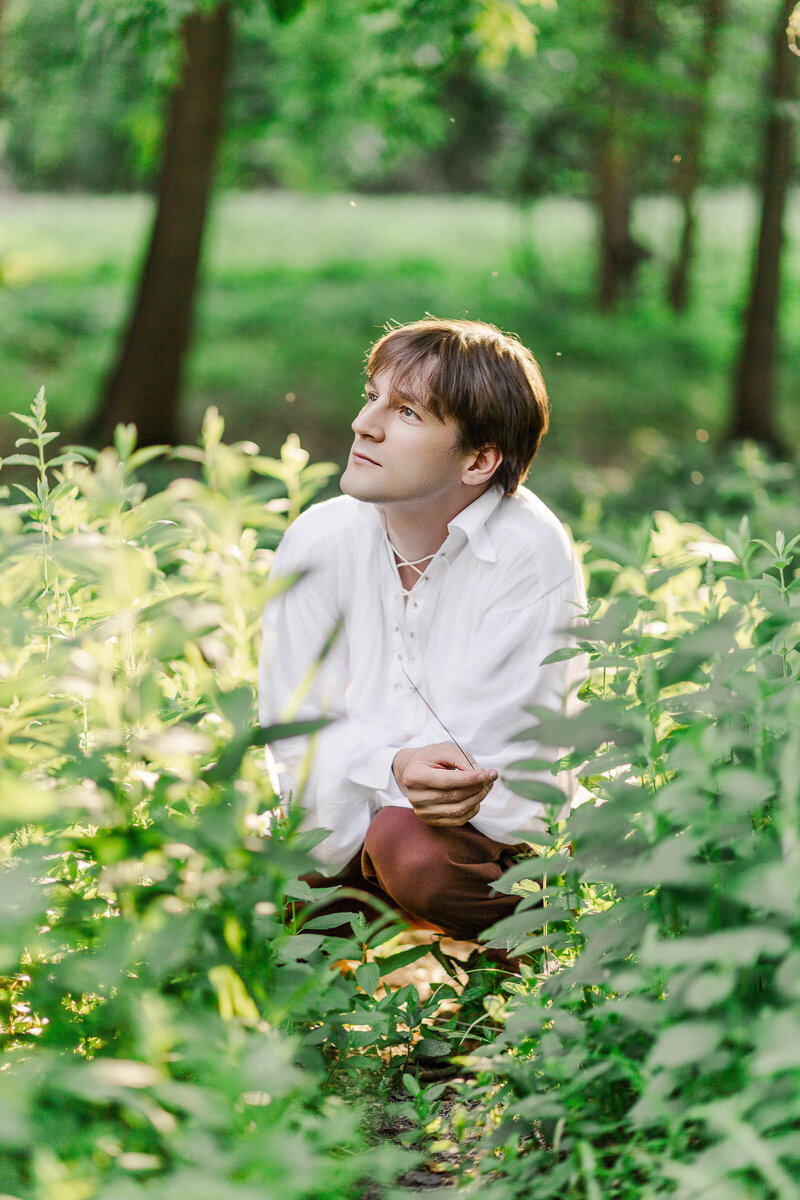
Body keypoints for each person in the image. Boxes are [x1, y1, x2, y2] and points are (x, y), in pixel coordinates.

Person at [258, 317, 586, 945]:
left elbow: (479, 766)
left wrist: (380, 769)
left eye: (406, 412)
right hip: (342, 815)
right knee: (249, 892)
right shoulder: (319, 540)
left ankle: (520, 972)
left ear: (479, 459)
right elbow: (292, 724)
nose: (365, 424)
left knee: (410, 848)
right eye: (372, 395)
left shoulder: (528, 549)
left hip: (479, 841)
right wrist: (389, 766)